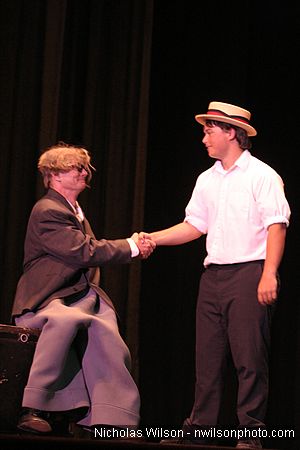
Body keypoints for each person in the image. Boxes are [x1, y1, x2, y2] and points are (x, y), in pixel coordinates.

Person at [140, 101, 291, 449]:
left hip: (249, 272)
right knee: (206, 360)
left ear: (231, 133)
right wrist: (152, 238)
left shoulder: (262, 176)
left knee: (249, 359)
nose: (204, 137)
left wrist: (269, 273)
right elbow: (195, 225)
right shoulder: (206, 179)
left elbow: (276, 226)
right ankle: (199, 430)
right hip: (213, 277)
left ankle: (251, 433)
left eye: (209, 130)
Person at [11, 142, 155, 436]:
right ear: (53, 175)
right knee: (65, 321)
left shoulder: (75, 210)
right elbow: (83, 251)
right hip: (48, 297)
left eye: (84, 167)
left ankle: (110, 418)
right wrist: (131, 246)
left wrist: (134, 245)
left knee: (106, 330)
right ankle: (34, 407)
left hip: (77, 295)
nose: (83, 172)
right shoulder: (48, 210)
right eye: (74, 167)